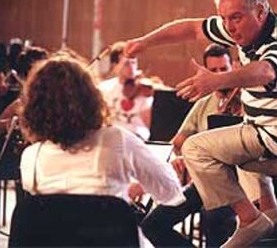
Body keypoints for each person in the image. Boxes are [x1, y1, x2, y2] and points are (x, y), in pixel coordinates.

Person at [112, 0, 277, 247]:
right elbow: (190, 28)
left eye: (236, 18)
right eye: (224, 19)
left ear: (261, 11)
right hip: (271, 130)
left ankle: (250, 218)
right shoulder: (249, 29)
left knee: (196, 149)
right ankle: (265, 209)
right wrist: (144, 42)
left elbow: (267, 70)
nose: (230, 28)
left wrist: (216, 81)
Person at [18, 54, 185, 211]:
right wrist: (165, 171)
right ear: (91, 97)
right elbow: (170, 193)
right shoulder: (117, 139)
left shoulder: (30, 158)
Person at [140, 44, 246, 247]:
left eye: (223, 69)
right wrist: (181, 158)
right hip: (203, 183)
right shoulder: (203, 104)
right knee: (153, 224)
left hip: (235, 185)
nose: (218, 75)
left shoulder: (245, 100)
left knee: (214, 218)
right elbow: (178, 141)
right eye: (213, 71)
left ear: (233, 66)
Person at [99, 53, 153, 141]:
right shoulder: (103, 88)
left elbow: (149, 122)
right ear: (115, 66)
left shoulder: (144, 88)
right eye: (126, 64)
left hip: (137, 136)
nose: (132, 68)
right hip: (111, 135)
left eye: (134, 63)